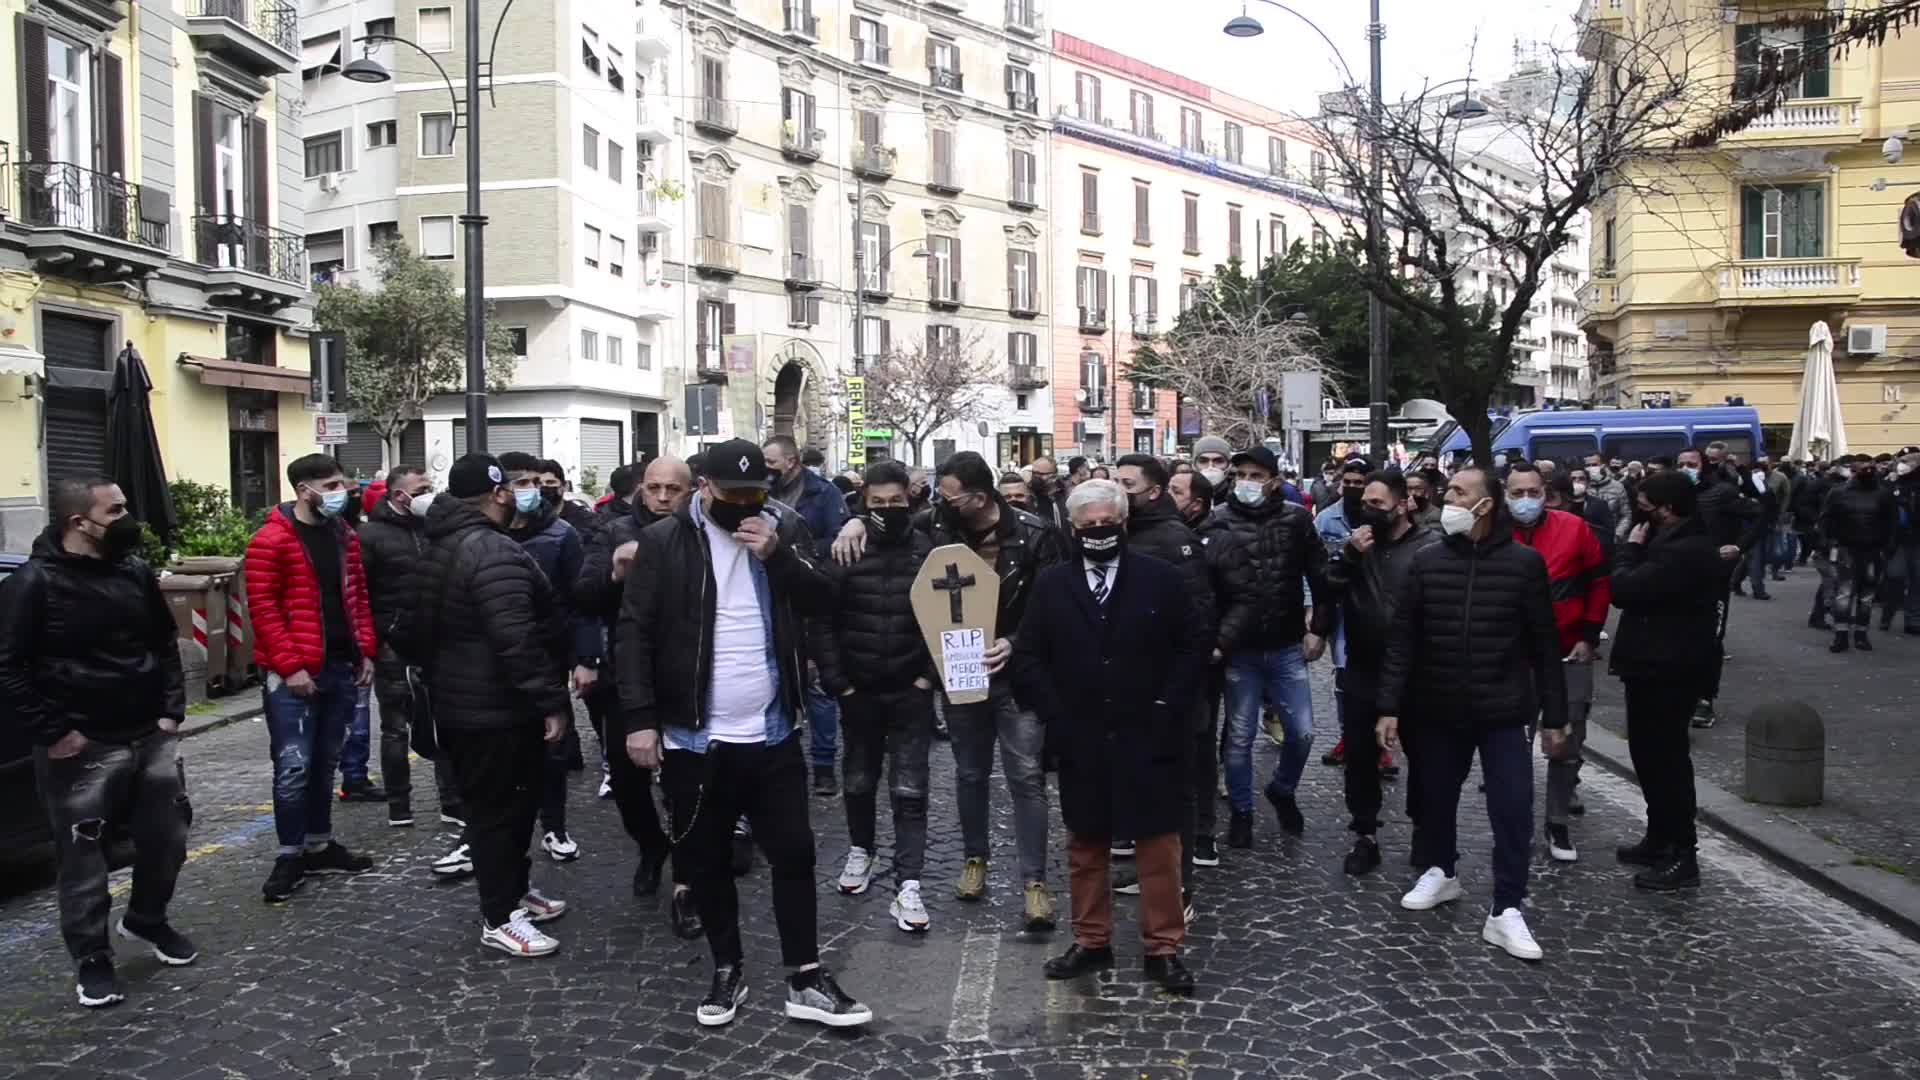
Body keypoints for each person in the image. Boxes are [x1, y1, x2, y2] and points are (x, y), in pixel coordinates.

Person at [616, 438, 871, 1028]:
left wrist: (778, 556)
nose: (744, 504)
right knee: (704, 860)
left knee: (794, 853)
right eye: (732, 495)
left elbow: (826, 598)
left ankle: (805, 976)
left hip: (773, 729)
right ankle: (726, 967)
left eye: (755, 493)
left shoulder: (783, 525)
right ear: (704, 487)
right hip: (694, 737)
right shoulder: (664, 540)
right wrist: (640, 719)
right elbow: (634, 634)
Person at [831, 451, 1066, 931]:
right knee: (969, 772)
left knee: (1025, 778)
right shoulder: (939, 523)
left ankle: (1034, 882)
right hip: (959, 671)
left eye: (951, 496)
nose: (940, 501)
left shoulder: (1035, 534)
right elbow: (889, 522)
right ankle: (974, 860)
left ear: (979, 499)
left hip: (1014, 673)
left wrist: (1016, 644)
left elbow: (1052, 604)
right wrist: (853, 523)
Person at [0, 479, 192, 1008]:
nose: (128, 516)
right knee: (84, 857)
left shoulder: (132, 572)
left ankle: (148, 920)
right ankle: (92, 957)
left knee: (169, 836)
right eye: (117, 509)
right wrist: (54, 731)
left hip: (148, 734)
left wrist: (170, 710)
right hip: (80, 745)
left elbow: (162, 641)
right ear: (78, 523)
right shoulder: (32, 584)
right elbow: (9, 668)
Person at [1012, 480, 1204, 995]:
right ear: (1072, 530)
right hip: (1081, 734)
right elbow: (1028, 656)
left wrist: (1168, 706)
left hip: (1151, 730)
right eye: (1087, 526)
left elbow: (1191, 649)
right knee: (1086, 843)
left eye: (1106, 524)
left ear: (1123, 523)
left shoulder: (1161, 578)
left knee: (1158, 846)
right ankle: (1091, 940)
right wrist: (1055, 714)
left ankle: (1163, 948)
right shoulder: (1053, 584)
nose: (1098, 532)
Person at [1375, 466, 1568, 962]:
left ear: (1487, 504)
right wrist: (1389, 706)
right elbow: (1403, 640)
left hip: (1503, 709)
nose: (1449, 499)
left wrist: (1555, 716)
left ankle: (1507, 908)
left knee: (1512, 809)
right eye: (1450, 491)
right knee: (1435, 797)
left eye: (1460, 492)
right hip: (1436, 704)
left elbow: (1546, 646)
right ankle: (1442, 871)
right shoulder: (1427, 561)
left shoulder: (1524, 565)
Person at [396, 454, 572, 957]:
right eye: (514, 486)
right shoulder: (491, 550)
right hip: (496, 709)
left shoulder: (435, 544)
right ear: (498, 494)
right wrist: (551, 701)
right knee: (501, 813)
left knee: (502, 808)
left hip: (462, 703)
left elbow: (408, 630)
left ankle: (513, 892)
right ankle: (500, 915)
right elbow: (517, 638)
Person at [809, 462, 938, 932]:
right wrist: (838, 682)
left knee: (910, 789)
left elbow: (946, 618)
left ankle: (910, 883)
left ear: (910, 499)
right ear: (863, 502)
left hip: (911, 690)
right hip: (857, 689)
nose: (887, 511)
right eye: (876, 504)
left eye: (895, 503)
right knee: (859, 781)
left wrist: (928, 678)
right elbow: (821, 619)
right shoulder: (846, 547)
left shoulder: (929, 549)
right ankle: (861, 849)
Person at [576, 455, 701, 938]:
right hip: (626, 677)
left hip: (687, 676)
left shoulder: (700, 531)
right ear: (641, 490)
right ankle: (651, 845)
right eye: (655, 488)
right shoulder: (612, 531)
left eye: (674, 488)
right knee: (627, 780)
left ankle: (686, 883)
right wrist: (614, 572)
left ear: (691, 490)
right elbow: (582, 595)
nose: (664, 497)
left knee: (686, 785)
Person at [245, 454, 378, 904]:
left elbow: (357, 597)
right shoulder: (271, 540)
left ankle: (319, 844)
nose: (344, 491)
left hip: (340, 667)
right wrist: (290, 667)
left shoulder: (344, 537)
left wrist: (365, 653)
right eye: (333, 484)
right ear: (306, 490)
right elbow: (263, 610)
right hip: (294, 676)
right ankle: (289, 854)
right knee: (293, 767)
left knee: (326, 762)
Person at [1210, 446, 1331, 847]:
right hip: (1239, 648)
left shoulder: (1296, 520)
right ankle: (1242, 811)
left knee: (1302, 733)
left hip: (1285, 642)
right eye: (1241, 473)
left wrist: (1319, 628)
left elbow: (1319, 573)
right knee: (1240, 736)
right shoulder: (1218, 521)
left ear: (1274, 481)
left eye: (1256, 476)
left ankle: (1282, 788)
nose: (1247, 482)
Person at [1322, 470, 1440, 876]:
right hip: (1364, 668)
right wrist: (1350, 554)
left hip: (1417, 671)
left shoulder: (1430, 547)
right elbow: (1328, 584)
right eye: (1364, 503)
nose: (1368, 510)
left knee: (1424, 758)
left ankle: (1426, 832)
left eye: (1377, 504)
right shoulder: (1358, 545)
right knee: (1360, 756)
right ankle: (1365, 834)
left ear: (1403, 503)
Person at [1608, 470, 1721, 892]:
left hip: (1669, 668)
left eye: (1647, 506)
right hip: (1653, 664)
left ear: (1669, 510)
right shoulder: (1675, 542)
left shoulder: (1683, 551)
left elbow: (1625, 589)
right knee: (1648, 758)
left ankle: (1682, 853)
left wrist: (1628, 552)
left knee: (1667, 763)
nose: (1642, 513)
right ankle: (1659, 838)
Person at [1111, 454, 1214, 898]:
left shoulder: (1175, 540)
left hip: (1167, 688)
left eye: (1127, 486)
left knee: (1176, 787)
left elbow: (1197, 619)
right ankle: (1150, 870)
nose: (1119, 492)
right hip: (1126, 684)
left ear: (1153, 492)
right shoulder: (1119, 532)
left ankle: (1176, 880)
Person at [497, 452, 600, 863]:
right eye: (522, 483)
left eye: (536, 483)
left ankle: (554, 827)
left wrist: (585, 657)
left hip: (546, 657)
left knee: (551, 745)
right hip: (496, 659)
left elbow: (581, 600)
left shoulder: (561, 535)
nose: (532, 491)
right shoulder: (484, 534)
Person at [1506, 464, 1610, 864]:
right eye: (1517, 493)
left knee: (1567, 740)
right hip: (1512, 657)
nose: (1526, 500)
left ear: (1545, 491)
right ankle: (1515, 824)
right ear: (1505, 495)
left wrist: (1589, 633)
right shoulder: (1493, 533)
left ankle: (1557, 820)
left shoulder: (1573, 529)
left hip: (1569, 651)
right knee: (1510, 745)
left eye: (1533, 491)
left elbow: (1599, 581)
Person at [356, 465, 462, 830]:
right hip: (394, 643)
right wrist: (375, 641)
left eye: (431, 487)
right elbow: (360, 593)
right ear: (398, 495)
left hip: (435, 640)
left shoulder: (434, 530)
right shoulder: (370, 536)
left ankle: (452, 802)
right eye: (422, 489)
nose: (429, 494)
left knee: (444, 720)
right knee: (395, 727)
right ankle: (399, 805)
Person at [763, 434, 848, 796]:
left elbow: (837, 538)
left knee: (817, 684)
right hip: (773, 597)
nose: (766, 472)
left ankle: (824, 764)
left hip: (811, 594)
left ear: (792, 463)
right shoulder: (757, 496)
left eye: (771, 464)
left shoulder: (824, 494)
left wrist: (794, 551)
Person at [1674, 447, 1747, 729]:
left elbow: (1760, 513)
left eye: (1690, 463)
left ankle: (1705, 699)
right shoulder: (1672, 493)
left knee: (1710, 641)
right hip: (1677, 576)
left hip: (1712, 579)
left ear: (1703, 466)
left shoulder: (1721, 492)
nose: (1685, 468)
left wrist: (1739, 547)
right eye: (1680, 463)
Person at [1820, 455, 1898, 652]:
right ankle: (1842, 635)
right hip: (1847, 548)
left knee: (1864, 595)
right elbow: (1826, 519)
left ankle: (1859, 633)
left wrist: (1888, 547)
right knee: (1847, 594)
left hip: (1872, 549)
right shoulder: (1839, 493)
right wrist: (1829, 543)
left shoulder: (1882, 494)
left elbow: (1892, 522)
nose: (1868, 472)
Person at [1891, 451, 1920, 634]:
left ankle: (1913, 619)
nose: (1901, 464)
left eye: (1905, 461)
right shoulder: (1894, 483)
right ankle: (1889, 614)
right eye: (1900, 461)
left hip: (1916, 538)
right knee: (1895, 576)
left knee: (1917, 579)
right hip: (1898, 539)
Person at [1557, 470, 1616, 560]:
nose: (1577, 482)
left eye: (1581, 479)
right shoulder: (1560, 505)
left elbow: (1609, 531)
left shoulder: (1600, 504)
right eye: (1573, 479)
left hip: (1594, 554)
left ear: (1588, 483)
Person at [1026, 455, 1071, 537]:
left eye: (1041, 474)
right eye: (1034, 473)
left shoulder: (1067, 494)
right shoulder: (1027, 494)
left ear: (1054, 476)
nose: (1036, 477)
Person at [1583, 454, 1630, 530]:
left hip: (1612, 535)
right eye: (1588, 465)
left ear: (1603, 466)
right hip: (1588, 536)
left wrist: (1617, 535)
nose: (1590, 468)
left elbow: (1626, 515)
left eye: (1594, 465)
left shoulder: (1617, 486)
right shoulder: (1581, 487)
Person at [1191, 437, 1233, 507]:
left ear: (1229, 465)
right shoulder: (1183, 497)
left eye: (1219, 461)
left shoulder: (1239, 499)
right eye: (1203, 461)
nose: (1211, 467)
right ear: (1194, 466)